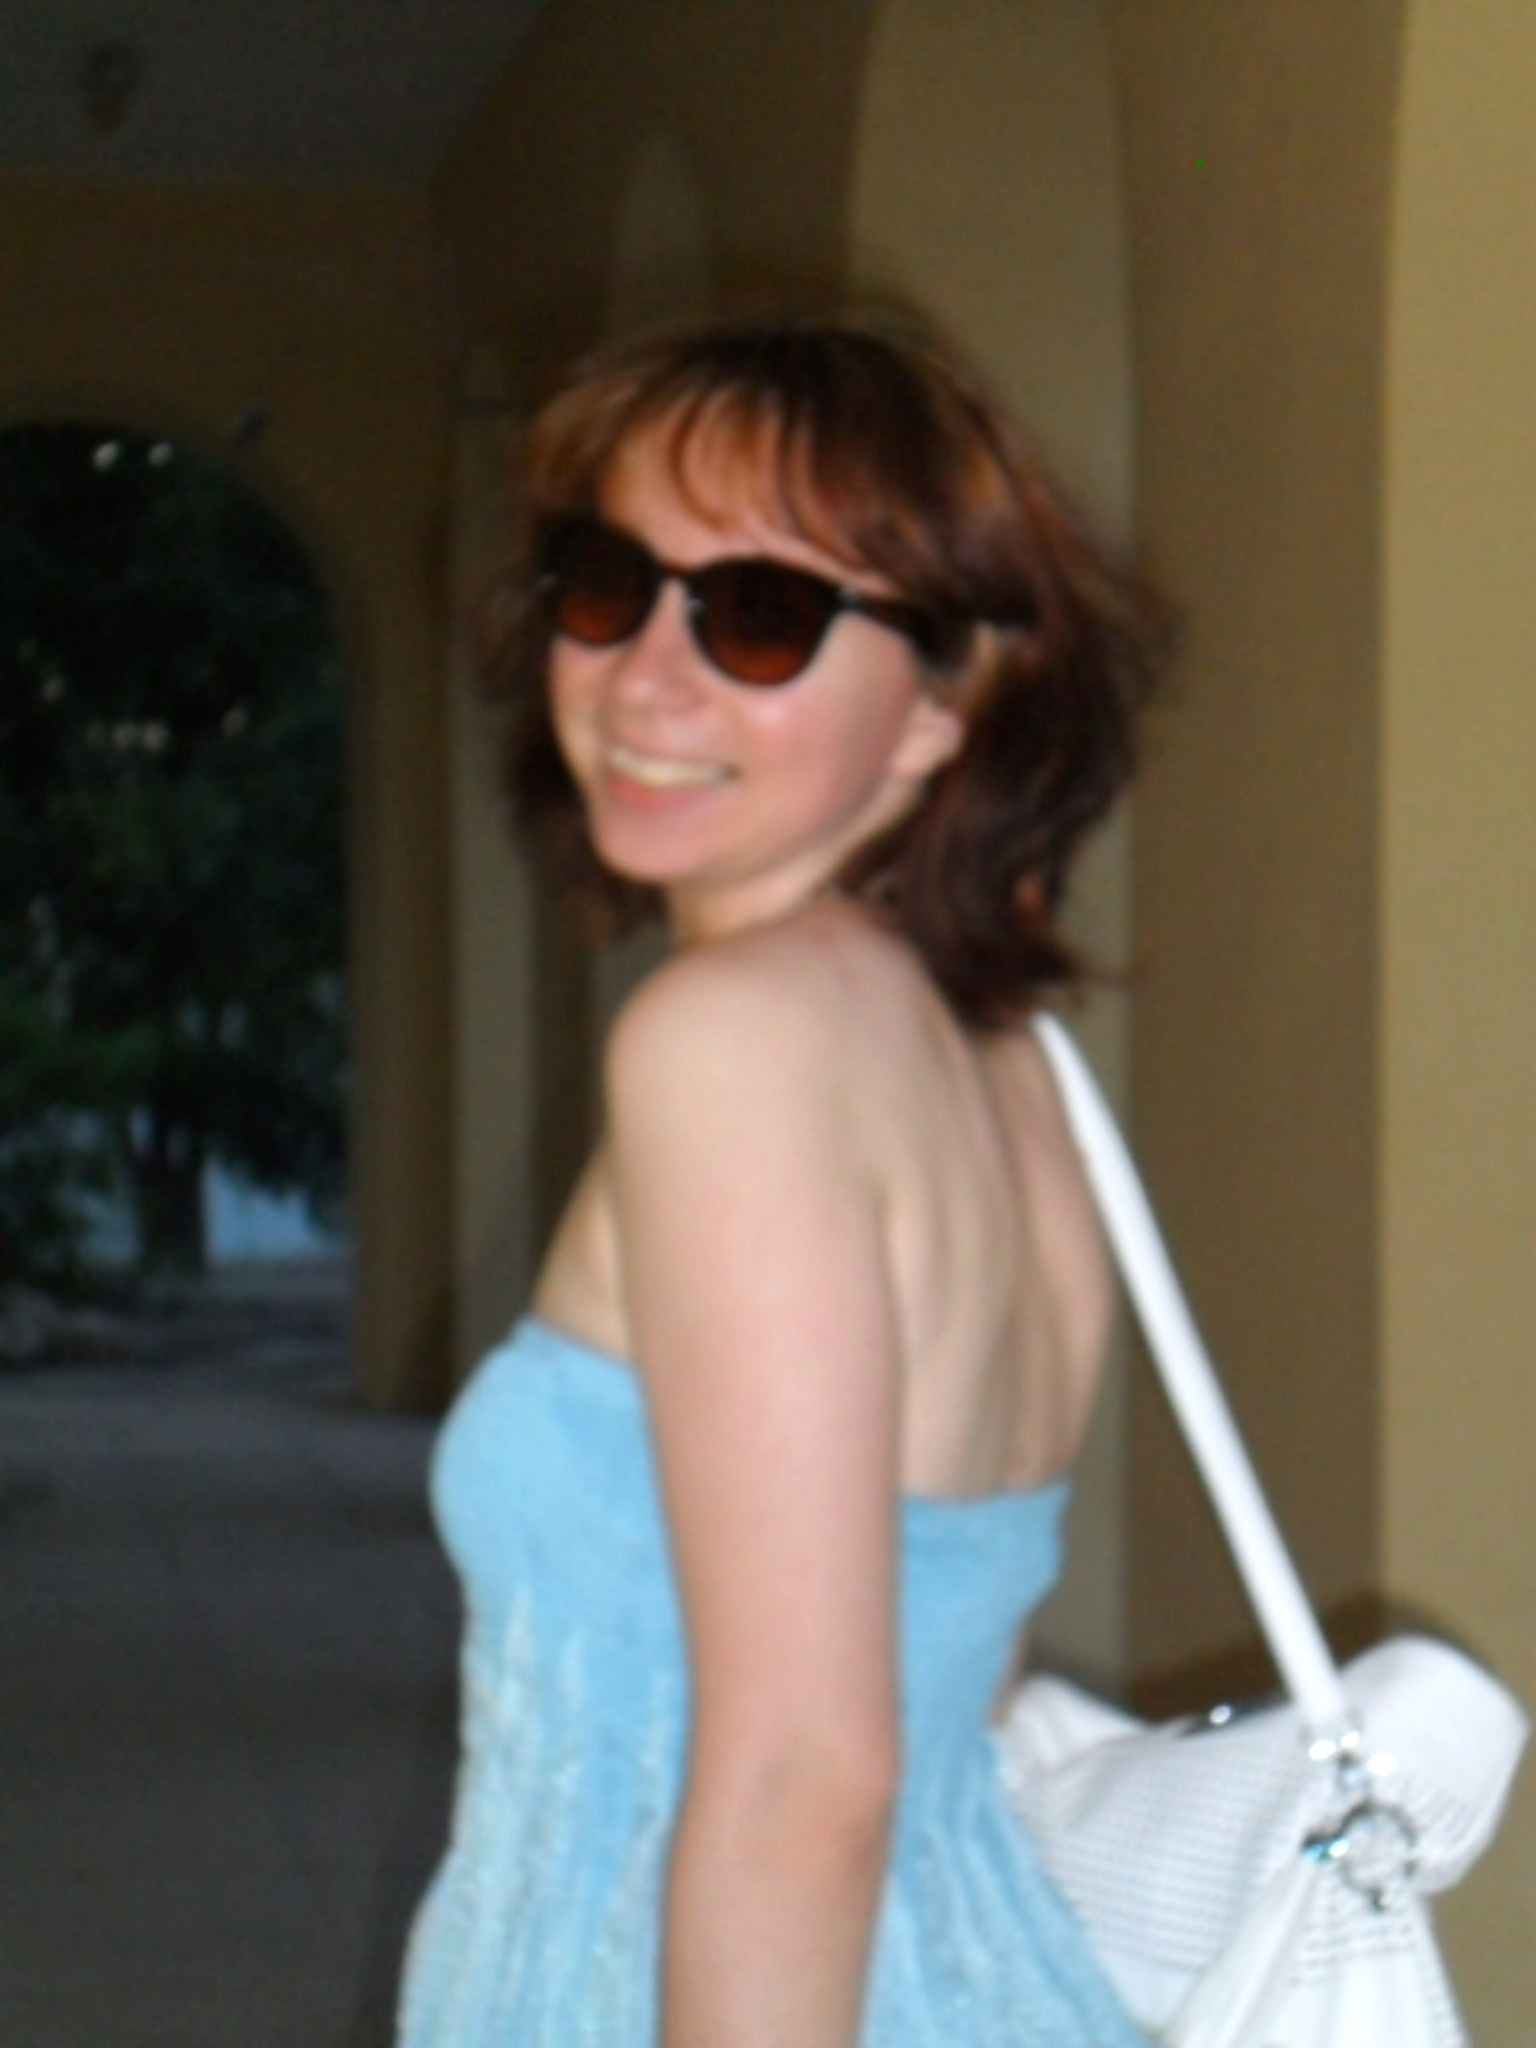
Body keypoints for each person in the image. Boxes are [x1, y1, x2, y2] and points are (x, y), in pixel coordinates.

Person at [396, 308, 1165, 2048]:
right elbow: (962, 1667)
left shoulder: (732, 1044)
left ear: (946, 704)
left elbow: (811, 1777)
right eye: (610, 585)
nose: (645, 678)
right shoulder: (1003, 1058)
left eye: (762, 616)